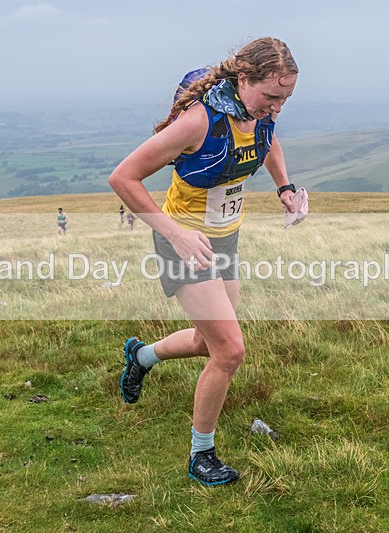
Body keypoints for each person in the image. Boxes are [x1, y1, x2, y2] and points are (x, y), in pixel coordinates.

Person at [108, 37, 300, 486]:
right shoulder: (199, 121)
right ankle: (201, 455)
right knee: (230, 350)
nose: (276, 108)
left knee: (206, 342)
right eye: (271, 96)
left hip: (224, 240)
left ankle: (141, 356)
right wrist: (175, 234)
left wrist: (285, 189)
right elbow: (123, 177)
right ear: (243, 79)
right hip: (182, 242)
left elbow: (266, 142)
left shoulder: (257, 114)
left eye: (285, 99)